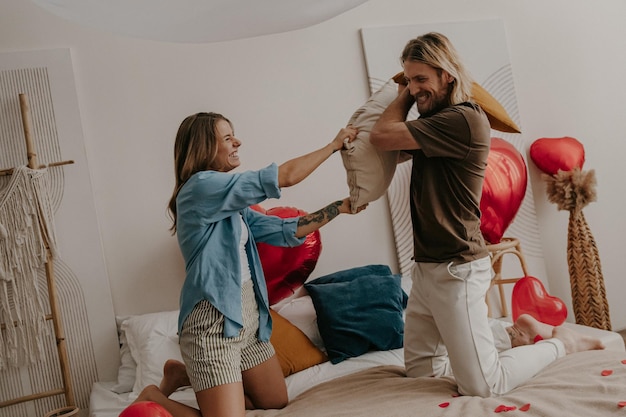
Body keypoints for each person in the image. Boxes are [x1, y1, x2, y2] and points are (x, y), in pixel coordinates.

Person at [369, 32, 604, 397]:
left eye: (420, 79)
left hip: (456, 267)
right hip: (428, 268)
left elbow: (381, 136)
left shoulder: (462, 119)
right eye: (409, 79)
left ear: (447, 75)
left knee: (483, 385)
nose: (414, 89)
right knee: (421, 375)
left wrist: (400, 93)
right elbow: (390, 149)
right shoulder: (433, 124)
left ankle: (562, 343)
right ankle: (511, 333)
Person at [132, 112, 366, 417]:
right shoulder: (200, 188)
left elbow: (285, 231)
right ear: (204, 146)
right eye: (228, 138)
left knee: (274, 401)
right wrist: (334, 145)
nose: (237, 142)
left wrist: (340, 207)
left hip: (248, 318)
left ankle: (185, 377)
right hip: (214, 324)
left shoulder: (229, 203)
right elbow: (284, 177)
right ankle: (155, 395)